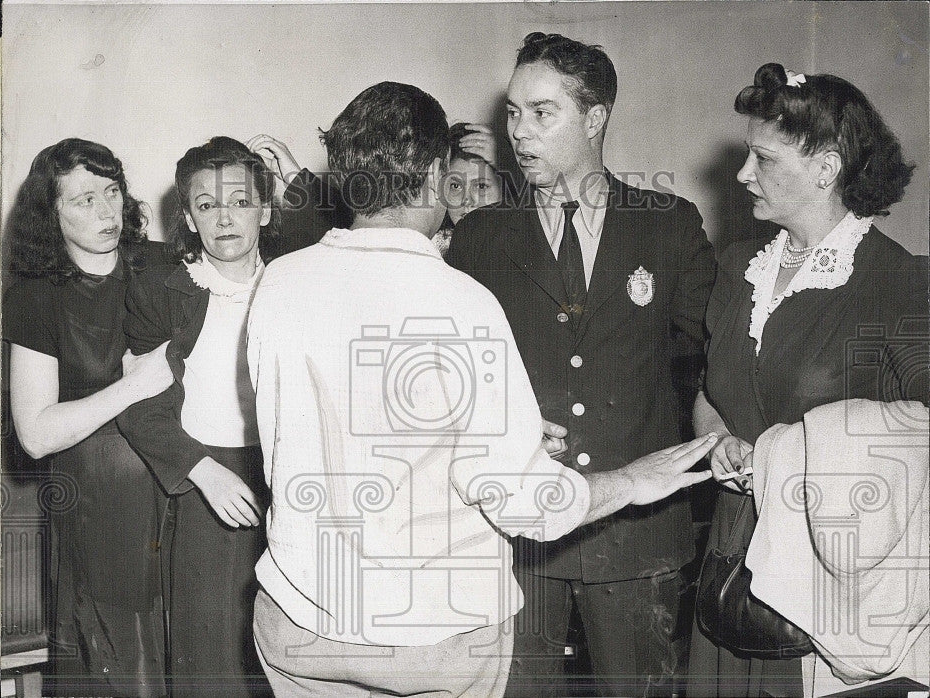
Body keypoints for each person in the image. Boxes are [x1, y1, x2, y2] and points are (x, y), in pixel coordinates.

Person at [246, 80, 717, 698]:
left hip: (299, 621)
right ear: (437, 174)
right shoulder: (460, 300)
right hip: (431, 635)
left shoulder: (280, 282)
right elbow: (525, 502)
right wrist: (632, 481)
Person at [447, 33, 716, 696]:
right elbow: (443, 374)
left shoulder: (667, 225)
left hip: (637, 538)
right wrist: (500, 420)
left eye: (542, 113)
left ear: (594, 120)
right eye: (512, 112)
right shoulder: (482, 235)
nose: (519, 131)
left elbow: (724, 347)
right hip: (520, 535)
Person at [687, 63, 929, 698]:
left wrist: (801, 455)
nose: (742, 174)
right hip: (730, 564)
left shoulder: (898, 283)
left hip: (833, 587)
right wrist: (719, 443)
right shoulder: (739, 266)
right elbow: (711, 393)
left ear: (828, 168)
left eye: (763, 158)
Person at [116, 135, 334, 697]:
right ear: (188, 217)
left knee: (299, 650)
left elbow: (339, 234)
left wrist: (299, 182)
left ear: (265, 210)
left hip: (292, 481)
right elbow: (139, 403)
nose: (225, 219)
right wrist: (201, 470)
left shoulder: (299, 277)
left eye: (240, 201)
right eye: (207, 206)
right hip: (203, 484)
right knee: (211, 659)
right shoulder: (165, 289)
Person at [3, 138, 173, 697]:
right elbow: (34, 434)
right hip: (98, 504)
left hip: (182, 490)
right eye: (82, 201)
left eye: (111, 192)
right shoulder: (35, 297)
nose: (105, 212)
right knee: (122, 666)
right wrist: (131, 387)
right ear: (50, 215)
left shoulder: (160, 264)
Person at [433, 122, 504, 256]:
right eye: (455, 186)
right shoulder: (432, 250)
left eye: (481, 186)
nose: (466, 200)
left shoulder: (524, 245)